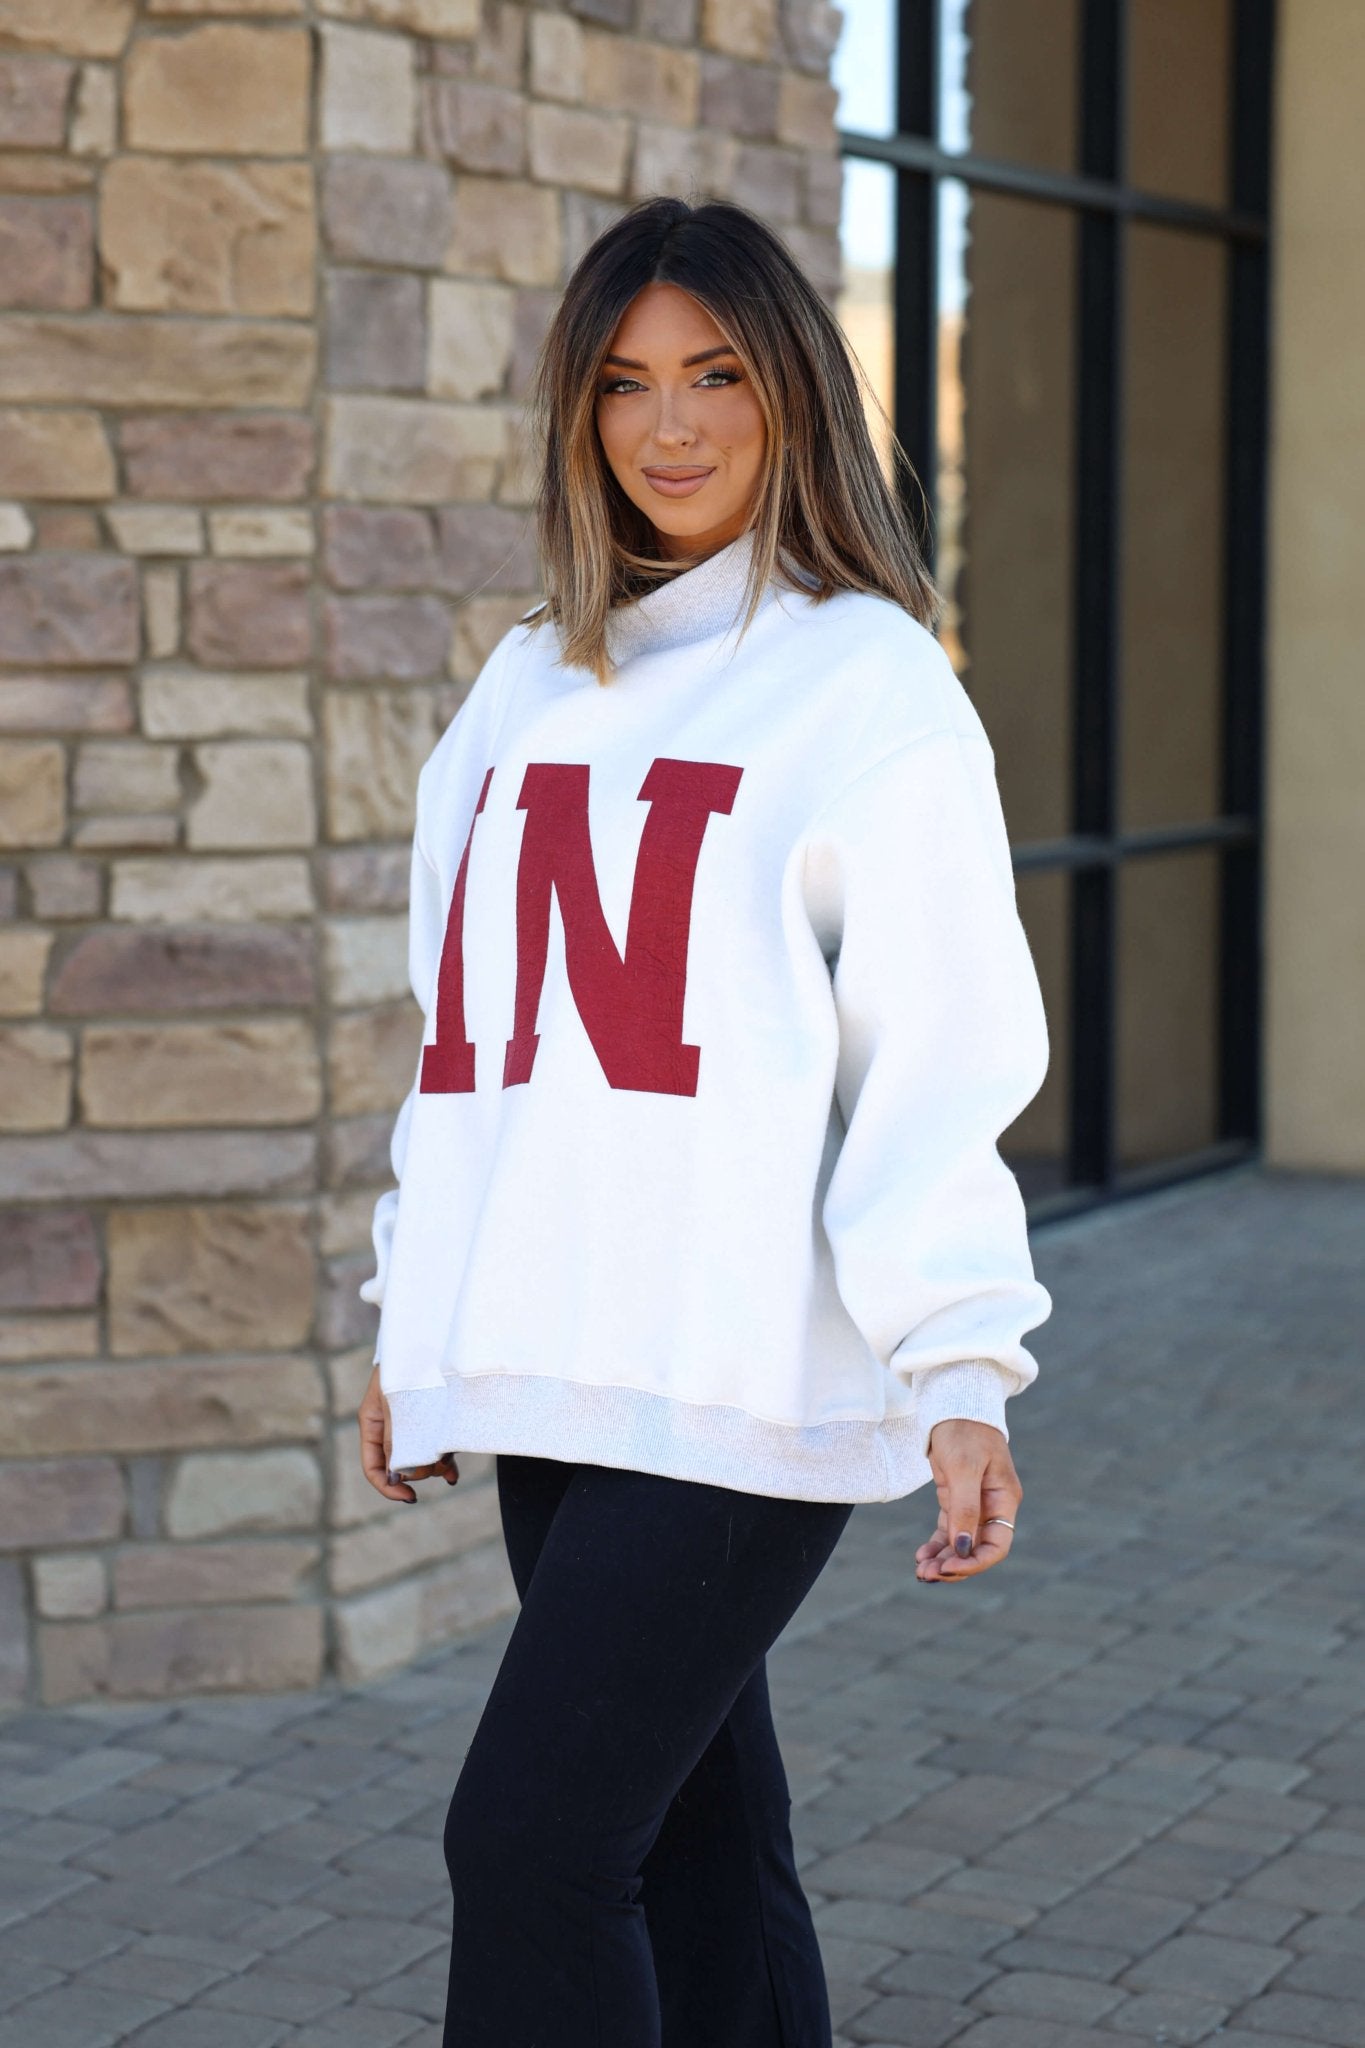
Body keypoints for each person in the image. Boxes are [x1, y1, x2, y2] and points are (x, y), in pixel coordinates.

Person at [354, 195, 1052, 2048]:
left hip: (743, 1366)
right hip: (556, 1360)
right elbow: (467, 1045)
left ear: (793, 391)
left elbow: (933, 1056)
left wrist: (957, 1363)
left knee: (530, 1844)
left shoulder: (868, 686)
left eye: (717, 375)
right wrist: (411, 1325)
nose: (670, 426)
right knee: (696, 1840)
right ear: (578, 417)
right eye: (625, 383)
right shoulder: (525, 682)